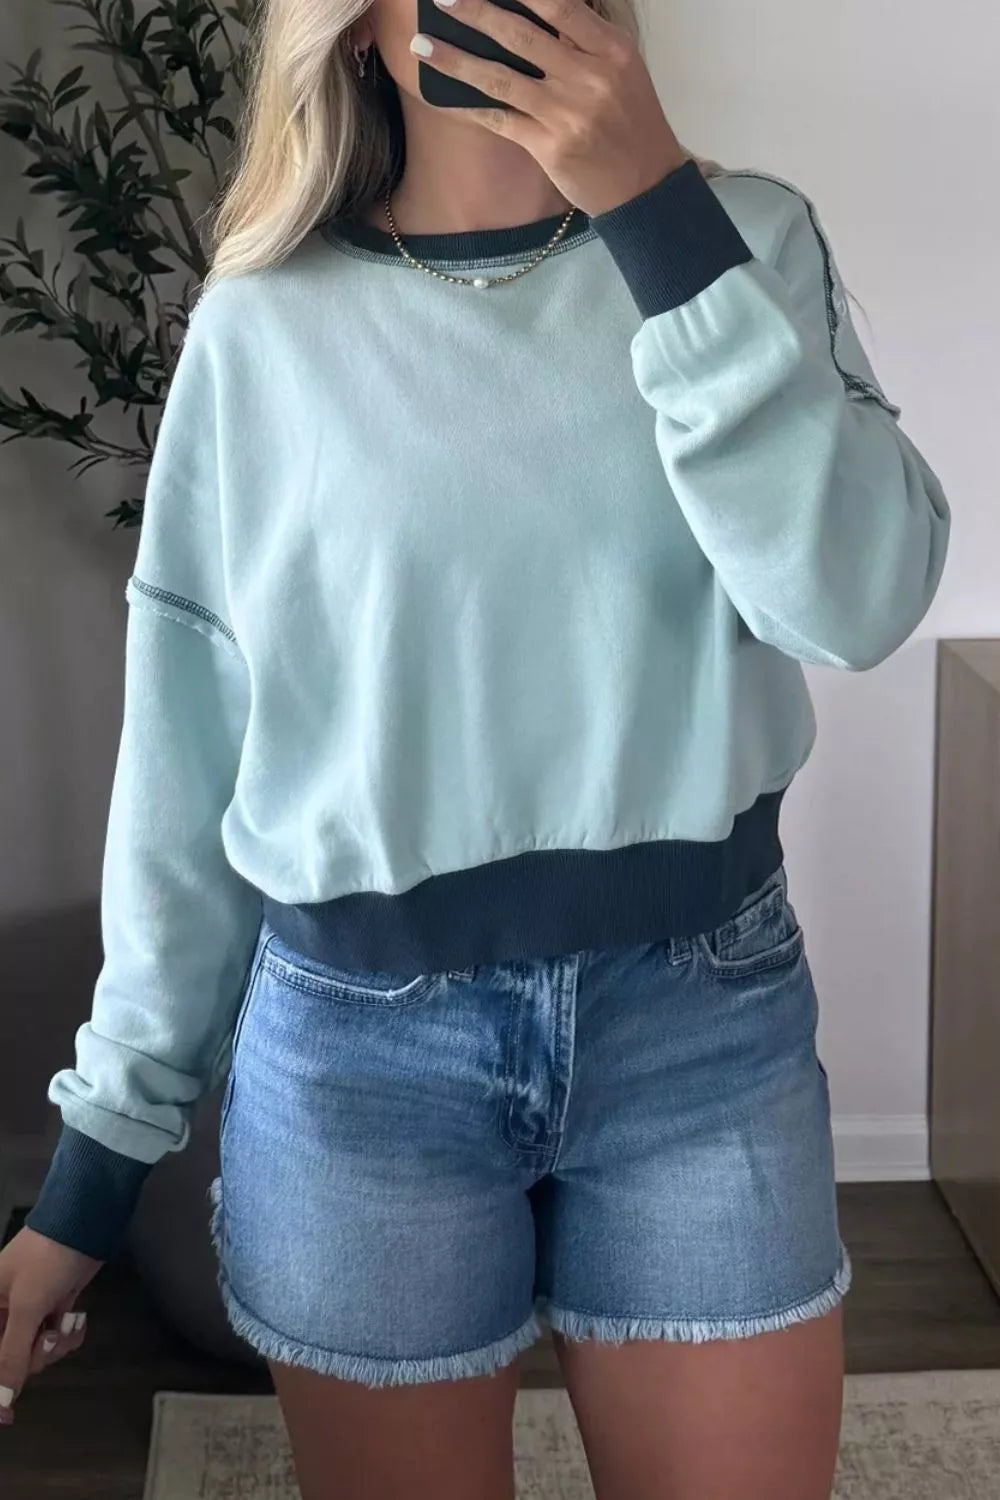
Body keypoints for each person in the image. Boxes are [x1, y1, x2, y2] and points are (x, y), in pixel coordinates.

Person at [0, 0, 950, 1494]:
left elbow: (858, 602)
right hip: (359, 1061)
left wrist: (658, 218)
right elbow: (189, 764)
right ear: (358, 30)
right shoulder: (264, 323)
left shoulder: (747, 244)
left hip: (703, 1025)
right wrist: (95, 1167)